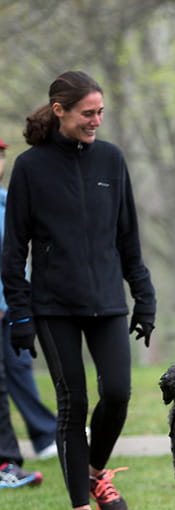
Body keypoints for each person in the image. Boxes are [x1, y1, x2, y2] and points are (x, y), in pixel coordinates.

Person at [2, 71, 156, 510]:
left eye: (100, 112)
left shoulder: (111, 159)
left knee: (118, 393)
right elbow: (14, 251)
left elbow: (128, 237)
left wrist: (144, 296)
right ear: (60, 111)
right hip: (54, 308)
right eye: (88, 113)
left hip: (107, 302)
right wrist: (21, 314)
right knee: (74, 405)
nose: (96, 120)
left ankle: (93, 472)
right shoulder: (30, 167)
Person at [0, 137, 57, 461]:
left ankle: (44, 435)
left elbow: (19, 255)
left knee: (20, 369)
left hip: (13, 304)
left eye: (0, 156)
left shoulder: (8, 201)